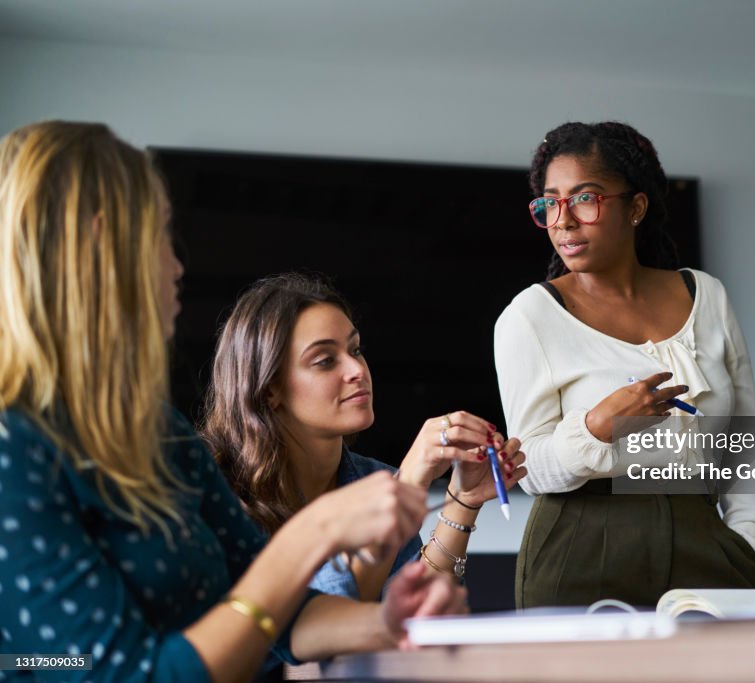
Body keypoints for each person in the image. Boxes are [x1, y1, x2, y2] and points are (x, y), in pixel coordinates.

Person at [0, 120, 465, 683]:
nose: (176, 266)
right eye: (159, 236)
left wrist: (389, 621)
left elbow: (283, 618)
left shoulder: (160, 434)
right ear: (102, 245)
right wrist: (314, 533)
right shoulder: (13, 451)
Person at [494, 121, 755, 608]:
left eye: (585, 198)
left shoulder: (707, 295)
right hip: (580, 550)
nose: (563, 220)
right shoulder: (529, 317)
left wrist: (749, 539)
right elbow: (528, 471)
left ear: (636, 207)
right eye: (550, 203)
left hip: (705, 546)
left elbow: (744, 436)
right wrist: (595, 428)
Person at [201, 273, 527, 602]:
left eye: (355, 350)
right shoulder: (215, 493)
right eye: (325, 361)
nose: (357, 370)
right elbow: (317, 630)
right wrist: (408, 483)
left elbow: (408, 615)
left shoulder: (374, 480)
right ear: (271, 389)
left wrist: (463, 500)